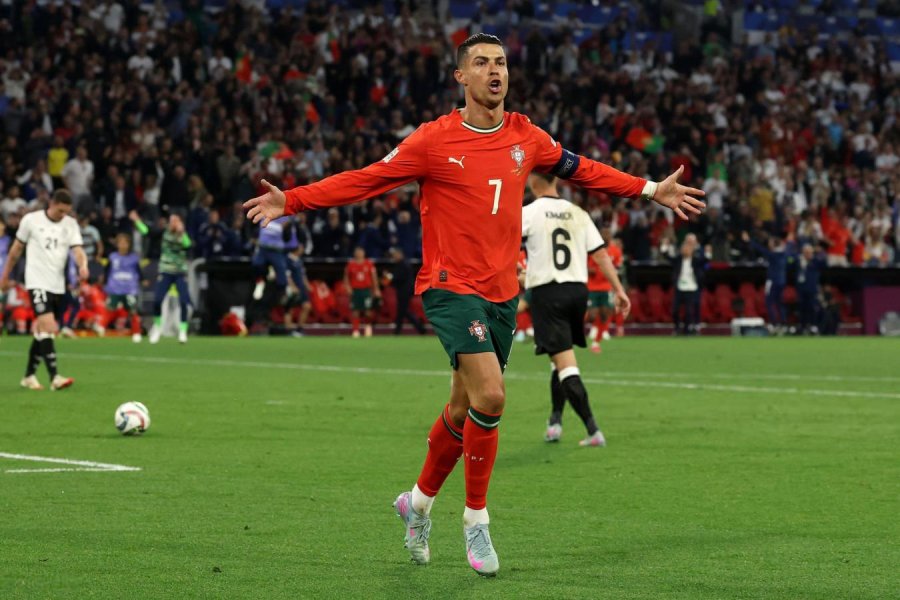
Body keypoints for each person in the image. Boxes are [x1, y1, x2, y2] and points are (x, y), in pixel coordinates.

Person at [244, 33, 704, 576]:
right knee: (493, 394)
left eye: (502, 63)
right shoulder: (431, 140)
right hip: (448, 286)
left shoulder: (526, 136)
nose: (495, 71)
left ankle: (415, 505)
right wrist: (292, 200)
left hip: (502, 293)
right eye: (482, 63)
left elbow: (586, 170)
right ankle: (476, 521)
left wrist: (651, 190)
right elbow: (365, 180)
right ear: (461, 77)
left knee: (464, 409)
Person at [521, 173, 630, 446]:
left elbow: (503, 242)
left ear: (533, 182)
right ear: (556, 180)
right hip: (577, 292)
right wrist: (619, 289)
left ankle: (593, 430)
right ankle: (555, 422)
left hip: (549, 293)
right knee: (558, 357)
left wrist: (519, 272)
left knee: (565, 365)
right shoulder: (578, 213)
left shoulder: (530, 212)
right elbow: (601, 254)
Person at [0, 189, 88, 390]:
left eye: (66, 212)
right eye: (60, 211)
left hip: (57, 284)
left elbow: (78, 250)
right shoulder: (31, 220)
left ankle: (29, 376)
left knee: (41, 331)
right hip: (36, 280)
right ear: (51, 203)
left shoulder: (70, 224)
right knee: (48, 327)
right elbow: (16, 250)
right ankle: (55, 377)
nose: (62, 215)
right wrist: (5, 275)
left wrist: (83, 265)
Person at [131, 211, 191, 344]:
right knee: (157, 300)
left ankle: (182, 331)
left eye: (176, 221)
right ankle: (157, 327)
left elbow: (188, 245)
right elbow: (146, 232)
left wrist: (182, 233)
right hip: (165, 271)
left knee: (183, 301)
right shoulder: (163, 233)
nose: (173, 223)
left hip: (180, 273)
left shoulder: (183, 235)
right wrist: (137, 221)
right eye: (172, 221)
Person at [586, 225, 624, 353]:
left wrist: (612, 272)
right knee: (591, 314)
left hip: (607, 287)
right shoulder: (593, 250)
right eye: (604, 234)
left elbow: (619, 266)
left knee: (605, 313)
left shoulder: (615, 251)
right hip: (592, 287)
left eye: (608, 234)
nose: (606, 237)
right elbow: (587, 267)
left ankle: (596, 342)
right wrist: (595, 269)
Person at [105, 232, 146, 342]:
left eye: (125, 243)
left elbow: (139, 271)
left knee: (133, 310)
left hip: (130, 289)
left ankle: (136, 332)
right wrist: (105, 282)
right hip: (115, 288)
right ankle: (103, 329)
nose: (123, 245)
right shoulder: (112, 257)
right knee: (110, 309)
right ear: (117, 244)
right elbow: (107, 271)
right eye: (121, 243)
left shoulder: (134, 258)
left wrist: (143, 280)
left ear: (129, 244)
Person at [744, 231, 788, 333]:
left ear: (773, 244)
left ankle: (774, 324)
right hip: (782, 281)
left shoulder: (773, 254)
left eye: (770, 243)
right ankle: (783, 323)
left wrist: (749, 241)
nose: (768, 244)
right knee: (779, 303)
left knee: (769, 302)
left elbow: (761, 249)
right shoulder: (783, 254)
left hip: (773, 281)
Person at [385, 246, 426, 335]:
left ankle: (420, 328)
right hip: (403, 291)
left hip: (404, 292)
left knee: (404, 311)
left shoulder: (403, 265)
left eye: (395, 255)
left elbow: (398, 278)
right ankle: (399, 331)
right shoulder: (402, 264)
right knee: (402, 311)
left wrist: (389, 278)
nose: (394, 257)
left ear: (400, 254)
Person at [671, 234, 706, 335]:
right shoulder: (678, 260)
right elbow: (669, 257)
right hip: (680, 288)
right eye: (684, 247)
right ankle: (677, 327)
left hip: (691, 288)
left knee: (689, 311)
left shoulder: (696, 260)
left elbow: (705, 261)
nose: (686, 250)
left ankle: (688, 330)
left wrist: (705, 252)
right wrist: (664, 247)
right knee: (675, 309)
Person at [251, 215, 291, 303]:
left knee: (282, 271)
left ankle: (282, 294)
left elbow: (288, 237)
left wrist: (286, 228)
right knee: (256, 264)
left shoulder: (285, 217)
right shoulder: (263, 213)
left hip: (276, 250)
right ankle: (260, 283)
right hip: (263, 248)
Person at [344, 246, 381, 338]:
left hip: (366, 290)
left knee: (368, 311)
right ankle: (356, 330)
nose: (359, 254)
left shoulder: (369, 264)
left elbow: (374, 277)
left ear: (364, 253)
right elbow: (346, 278)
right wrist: (348, 288)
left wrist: (376, 289)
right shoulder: (350, 265)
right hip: (355, 291)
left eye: (361, 252)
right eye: (357, 252)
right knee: (355, 311)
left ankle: (368, 328)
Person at [795, 243, 826, 334]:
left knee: (812, 308)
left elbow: (824, 263)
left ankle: (813, 326)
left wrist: (820, 252)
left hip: (811, 288)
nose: (807, 254)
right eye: (805, 252)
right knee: (802, 308)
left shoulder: (815, 261)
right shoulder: (799, 261)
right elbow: (789, 263)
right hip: (801, 288)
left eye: (809, 252)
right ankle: (802, 326)